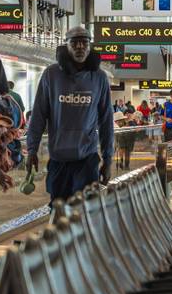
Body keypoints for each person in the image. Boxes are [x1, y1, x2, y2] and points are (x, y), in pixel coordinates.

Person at [26, 26, 114, 201]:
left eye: (84, 42)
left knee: (85, 212)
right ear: (66, 46)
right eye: (74, 42)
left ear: (90, 47)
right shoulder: (51, 75)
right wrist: (31, 149)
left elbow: (106, 121)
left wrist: (108, 159)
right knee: (58, 211)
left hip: (87, 159)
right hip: (59, 159)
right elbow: (38, 115)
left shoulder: (99, 78)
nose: (80, 47)